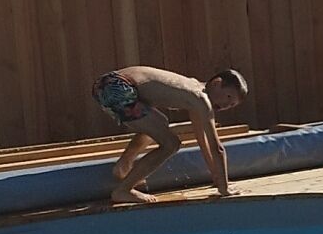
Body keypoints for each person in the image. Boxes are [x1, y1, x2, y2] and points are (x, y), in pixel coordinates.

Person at [97, 64, 248, 204]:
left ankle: (124, 164)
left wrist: (216, 176)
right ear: (217, 83)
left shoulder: (194, 95)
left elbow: (203, 141)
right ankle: (123, 190)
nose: (226, 105)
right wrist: (224, 189)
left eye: (232, 105)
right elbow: (217, 148)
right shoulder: (201, 100)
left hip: (108, 84)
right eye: (228, 97)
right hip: (118, 87)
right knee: (171, 144)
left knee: (160, 123)